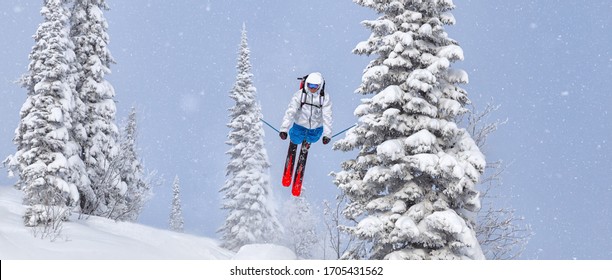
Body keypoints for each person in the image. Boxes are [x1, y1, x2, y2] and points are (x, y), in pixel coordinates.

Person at [279, 72, 332, 146]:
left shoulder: (324, 98)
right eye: (310, 85)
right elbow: (291, 111)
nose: (312, 88)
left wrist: (327, 134)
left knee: (313, 139)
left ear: (319, 86)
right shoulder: (300, 95)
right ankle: (294, 144)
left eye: (315, 86)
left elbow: (327, 116)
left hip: (316, 127)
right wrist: (284, 129)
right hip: (300, 124)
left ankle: (307, 143)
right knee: (295, 138)